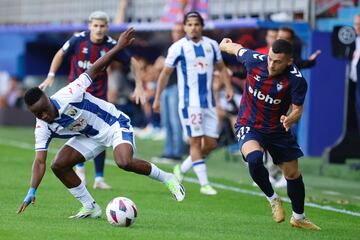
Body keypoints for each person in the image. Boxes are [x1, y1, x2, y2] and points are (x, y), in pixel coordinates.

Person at [17, 28, 185, 218]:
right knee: (59, 165)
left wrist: (119, 47)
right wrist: (32, 191)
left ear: (48, 99)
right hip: (91, 137)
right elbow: (40, 162)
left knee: (124, 162)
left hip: (113, 124)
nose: (44, 115)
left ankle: (168, 178)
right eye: (37, 114)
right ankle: (90, 206)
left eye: (44, 110)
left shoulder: (69, 94)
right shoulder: (42, 127)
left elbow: (95, 68)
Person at [219, 37, 320, 230]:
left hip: (276, 129)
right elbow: (236, 48)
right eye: (270, 59)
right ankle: (273, 199)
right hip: (249, 124)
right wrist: (223, 45)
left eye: (277, 61)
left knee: (292, 174)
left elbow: (298, 109)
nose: (272, 64)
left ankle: (298, 217)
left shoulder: (296, 80)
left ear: (289, 61)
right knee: (255, 158)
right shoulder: (255, 60)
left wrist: (289, 119)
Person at [39, 11, 145, 190]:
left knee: (100, 135)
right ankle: (80, 170)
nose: (98, 29)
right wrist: (51, 75)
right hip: (75, 98)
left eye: (102, 26)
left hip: (98, 98)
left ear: (107, 27)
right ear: (89, 26)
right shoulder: (77, 40)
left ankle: (99, 178)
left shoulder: (111, 45)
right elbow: (60, 54)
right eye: (95, 25)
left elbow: (134, 62)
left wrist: (139, 85)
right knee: (79, 130)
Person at [153, 11, 233, 195]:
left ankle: (181, 169)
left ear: (201, 26)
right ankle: (204, 184)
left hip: (210, 103)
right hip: (190, 103)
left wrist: (228, 88)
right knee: (195, 143)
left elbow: (221, 68)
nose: (193, 27)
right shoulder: (177, 48)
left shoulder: (212, 46)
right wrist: (157, 97)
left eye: (196, 24)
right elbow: (165, 73)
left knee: (211, 143)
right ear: (184, 27)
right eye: (189, 24)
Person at [153, 22, 185, 161]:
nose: (177, 33)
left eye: (179, 31)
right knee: (166, 121)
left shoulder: (184, 47)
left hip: (177, 87)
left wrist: (164, 62)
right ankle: (168, 151)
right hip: (166, 87)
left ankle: (177, 153)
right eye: (175, 31)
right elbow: (157, 66)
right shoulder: (169, 48)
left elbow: (166, 65)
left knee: (175, 121)